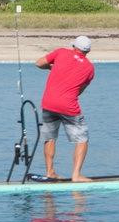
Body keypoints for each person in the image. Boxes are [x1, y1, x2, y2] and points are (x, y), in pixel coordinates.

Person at [35, 35, 94, 181]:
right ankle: (76, 175)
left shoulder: (61, 52)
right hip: (69, 107)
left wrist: (52, 68)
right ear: (87, 51)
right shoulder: (89, 68)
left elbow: (38, 63)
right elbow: (79, 91)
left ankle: (50, 171)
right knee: (82, 139)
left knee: (50, 137)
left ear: (74, 46)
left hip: (48, 103)